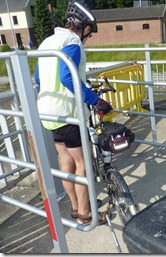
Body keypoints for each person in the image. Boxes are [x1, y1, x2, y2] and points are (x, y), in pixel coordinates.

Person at [34, 1, 112, 226]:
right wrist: (96, 101)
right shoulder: (72, 42)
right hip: (67, 113)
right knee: (83, 163)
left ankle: (77, 207)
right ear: (83, 26)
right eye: (90, 31)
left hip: (48, 112)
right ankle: (87, 214)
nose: (89, 37)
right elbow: (67, 77)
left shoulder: (48, 41)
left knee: (66, 160)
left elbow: (39, 78)